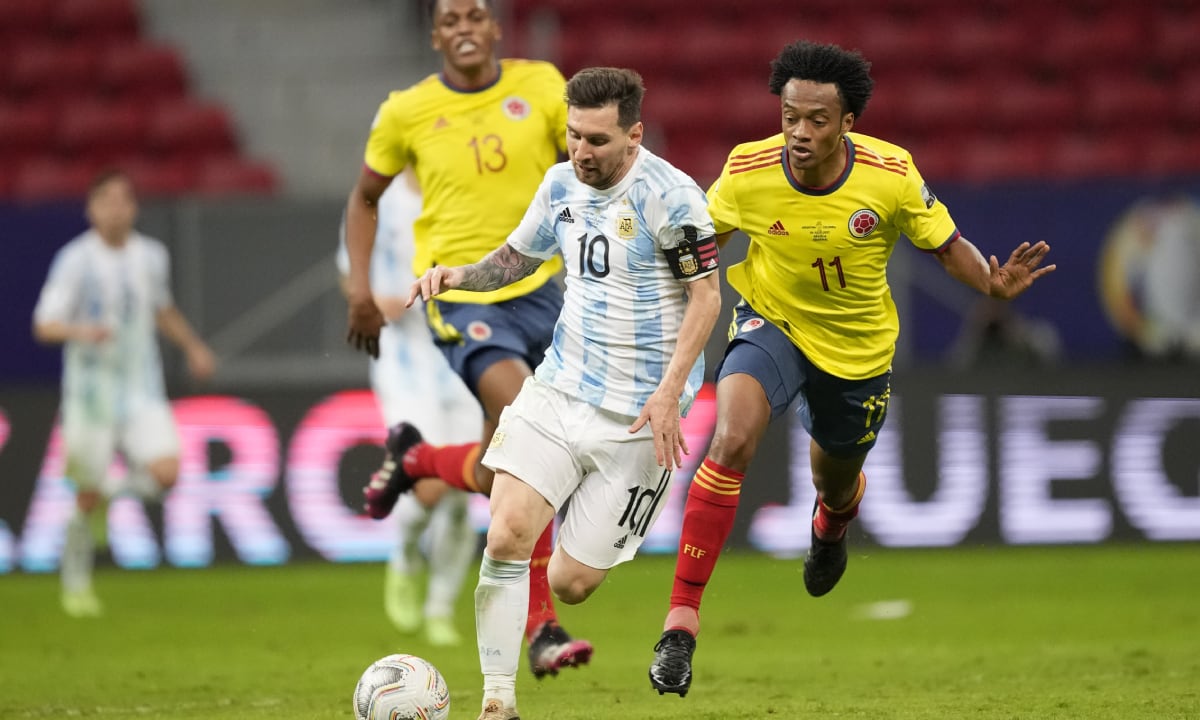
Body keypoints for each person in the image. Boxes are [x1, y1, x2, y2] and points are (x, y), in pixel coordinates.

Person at [647, 40, 1057, 698]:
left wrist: (990, 282)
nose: (799, 132)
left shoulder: (890, 175)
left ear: (846, 124)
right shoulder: (747, 171)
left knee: (834, 480)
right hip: (771, 322)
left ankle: (831, 525)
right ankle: (680, 625)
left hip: (859, 351)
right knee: (729, 438)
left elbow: (946, 246)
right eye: (789, 117)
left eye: (815, 120)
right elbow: (700, 246)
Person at [409, 65, 721, 720]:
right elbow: (519, 258)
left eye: (598, 141)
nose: (581, 151)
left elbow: (706, 297)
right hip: (559, 388)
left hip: (641, 417)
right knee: (507, 533)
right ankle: (498, 705)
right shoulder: (559, 186)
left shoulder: (674, 198)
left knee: (572, 584)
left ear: (634, 136)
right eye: (575, 136)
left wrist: (670, 393)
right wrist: (458, 275)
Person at [342, 0, 593, 677]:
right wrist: (362, 289)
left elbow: (585, 160)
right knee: (528, 437)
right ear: (435, 36)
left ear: (493, 29)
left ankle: (419, 460)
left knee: (492, 471)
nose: (462, 27)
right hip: (457, 297)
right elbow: (364, 198)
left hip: (544, 292)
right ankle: (541, 627)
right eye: (449, 18)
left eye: (473, 15)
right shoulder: (406, 111)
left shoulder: (541, 86)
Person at [32, 168, 217, 618]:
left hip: (141, 389)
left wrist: (193, 347)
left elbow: (162, 308)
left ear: (134, 208)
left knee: (167, 474)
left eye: (124, 200)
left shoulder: (151, 256)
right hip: (89, 397)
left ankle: (109, 492)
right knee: (86, 495)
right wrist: (82, 331)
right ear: (91, 209)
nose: (117, 209)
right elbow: (44, 325)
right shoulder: (74, 260)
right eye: (107, 201)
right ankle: (75, 582)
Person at [336, 169, 481, 646]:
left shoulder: (466, 191)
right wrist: (375, 301)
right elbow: (348, 274)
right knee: (432, 482)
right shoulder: (378, 202)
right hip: (405, 362)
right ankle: (403, 554)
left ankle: (440, 607)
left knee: (470, 486)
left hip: (464, 356)